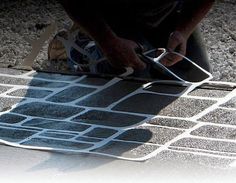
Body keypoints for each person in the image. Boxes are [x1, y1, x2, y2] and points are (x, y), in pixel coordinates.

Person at [49, 0, 215, 79]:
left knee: (195, 74)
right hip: (109, 14)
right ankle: (81, 44)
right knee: (133, 74)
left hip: (166, 12)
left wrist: (182, 32)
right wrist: (107, 41)